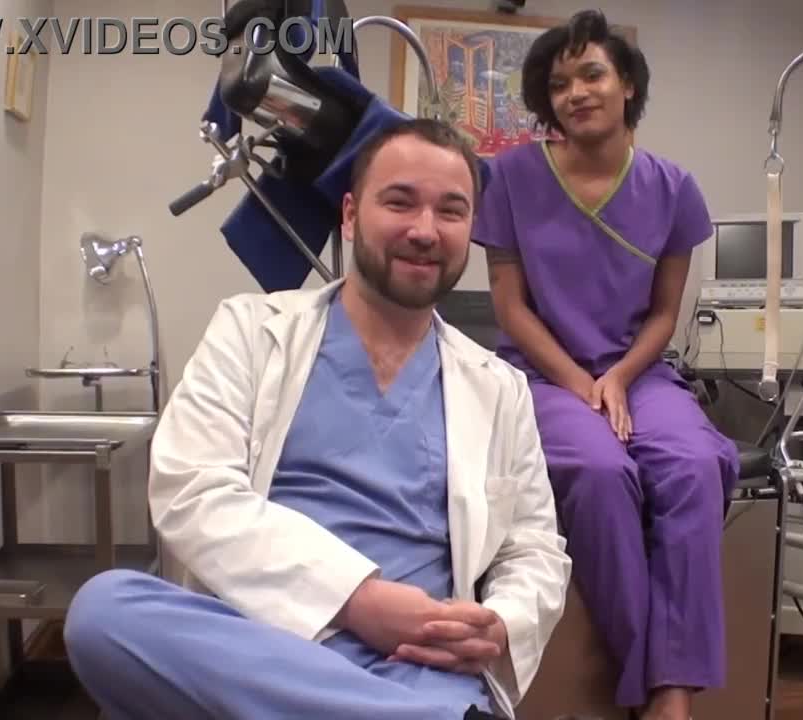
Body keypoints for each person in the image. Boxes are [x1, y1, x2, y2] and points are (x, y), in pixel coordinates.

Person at [61, 119, 572, 720]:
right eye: (399, 202)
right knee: (103, 612)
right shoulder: (250, 331)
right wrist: (357, 601)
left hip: (415, 664)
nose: (425, 230)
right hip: (260, 644)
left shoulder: (500, 387)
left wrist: (501, 622)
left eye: (451, 211)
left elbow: (534, 547)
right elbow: (191, 488)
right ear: (350, 216)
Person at [471, 10, 740, 720]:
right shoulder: (509, 179)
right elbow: (511, 309)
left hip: (639, 373)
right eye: (559, 84)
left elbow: (664, 314)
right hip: (542, 373)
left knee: (693, 465)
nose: (576, 93)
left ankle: (672, 692)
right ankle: (646, 675)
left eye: (591, 74)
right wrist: (581, 384)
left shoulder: (673, 189)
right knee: (597, 471)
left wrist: (618, 378)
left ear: (627, 85)